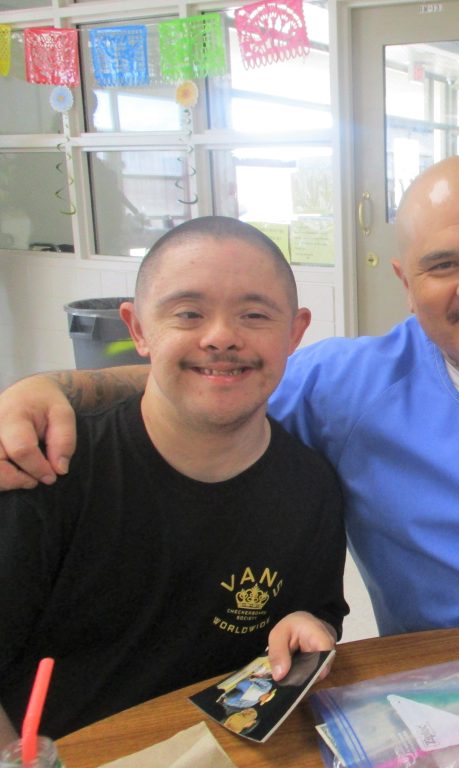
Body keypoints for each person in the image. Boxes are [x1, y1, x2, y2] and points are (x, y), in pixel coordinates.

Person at [0, 157, 459, 642]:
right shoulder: (349, 388)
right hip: (444, 707)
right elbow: (221, 374)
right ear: (405, 281)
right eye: (442, 264)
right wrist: (48, 388)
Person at [0, 217, 347, 743]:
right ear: (138, 328)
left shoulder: (310, 488)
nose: (221, 337)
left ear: (295, 332)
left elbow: (318, 613)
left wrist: (308, 627)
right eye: (188, 313)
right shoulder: (47, 471)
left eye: (254, 314)